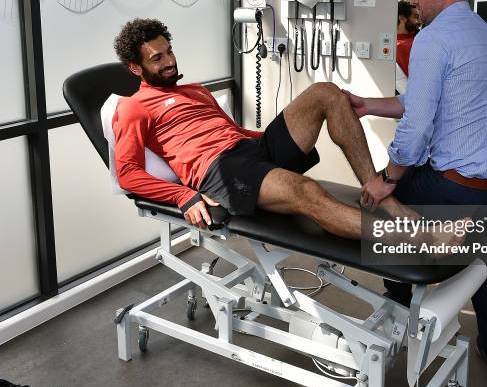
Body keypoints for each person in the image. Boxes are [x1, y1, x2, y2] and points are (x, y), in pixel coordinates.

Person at [348, 0, 487, 383]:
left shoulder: (433, 38)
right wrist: (368, 105)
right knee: (477, 252)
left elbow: (416, 128)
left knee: (382, 211)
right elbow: (429, 100)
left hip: (464, 190)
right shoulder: (484, 34)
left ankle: (396, 315)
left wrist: (387, 179)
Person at [112, 18, 450, 243]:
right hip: (222, 171)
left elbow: (232, 130)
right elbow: (127, 173)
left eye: (169, 51)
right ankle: (419, 239)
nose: (169, 61)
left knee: (325, 92)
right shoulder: (133, 107)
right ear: (134, 67)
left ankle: (379, 191)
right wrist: (184, 196)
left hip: (251, 151)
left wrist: (280, 135)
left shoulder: (196, 90)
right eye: (157, 58)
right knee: (307, 191)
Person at [396, 0, 420, 77]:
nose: (419, 21)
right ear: (402, 18)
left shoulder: (396, 44)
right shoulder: (404, 45)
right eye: (416, 17)